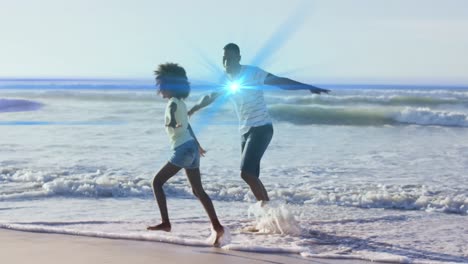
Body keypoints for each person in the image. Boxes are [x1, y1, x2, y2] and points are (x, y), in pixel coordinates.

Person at [188, 43, 330, 203]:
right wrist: (193, 109)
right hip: (245, 131)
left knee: (246, 173)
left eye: (231, 58)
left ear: (239, 58)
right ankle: (269, 215)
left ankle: (270, 212)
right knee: (252, 175)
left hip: (261, 128)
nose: (227, 62)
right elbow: (210, 96)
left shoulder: (252, 72)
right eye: (225, 58)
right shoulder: (225, 79)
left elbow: (279, 81)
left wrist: (306, 87)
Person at [147, 63, 224, 247]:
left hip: (182, 149)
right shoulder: (182, 103)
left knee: (156, 182)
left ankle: (166, 223)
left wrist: (173, 121)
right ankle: (217, 226)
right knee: (198, 190)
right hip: (191, 148)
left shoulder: (173, 103)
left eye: (161, 85)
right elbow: (187, 125)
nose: (159, 89)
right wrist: (198, 145)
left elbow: (175, 116)